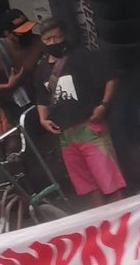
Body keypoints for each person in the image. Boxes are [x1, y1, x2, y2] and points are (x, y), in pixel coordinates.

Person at [36, 19, 126, 208]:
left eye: (57, 37)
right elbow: (42, 99)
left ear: (65, 36)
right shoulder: (41, 69)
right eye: (48, 39)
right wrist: (42, 119)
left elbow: (111, 78)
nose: (53, 42)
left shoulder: (82, 57)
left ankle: (124, 219)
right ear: (42, 41)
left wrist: (103, 105)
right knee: (87, 187)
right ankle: (102, 224)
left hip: (90, 128)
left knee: (110, 182)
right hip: (65, 136)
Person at [0, 9, 44, 126]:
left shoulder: (39, 42)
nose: (27, 34)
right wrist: (9, 86)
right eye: (21, 33)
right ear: (7, 34)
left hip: (39, 96)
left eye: (29, 29)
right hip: (10, 103)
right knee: (14, 142)